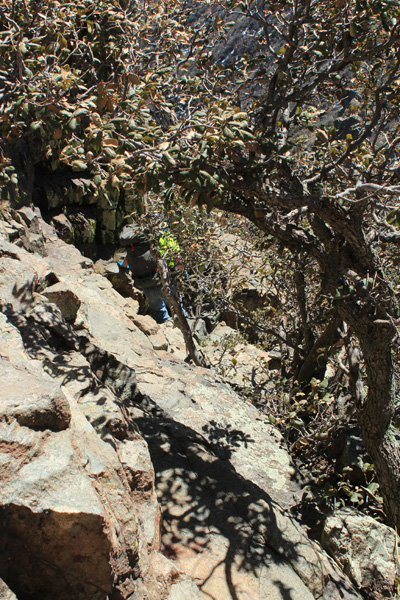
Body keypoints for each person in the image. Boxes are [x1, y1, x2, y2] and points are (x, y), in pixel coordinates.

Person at [118, 223, 181, 324]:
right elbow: (179, 263)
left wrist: (121, 267)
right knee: (178, 311)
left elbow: (124, 264)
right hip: (165, 282)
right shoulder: (162, 239)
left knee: (160, 315)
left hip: (146, 285)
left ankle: (167, 332)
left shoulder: (136, 248)